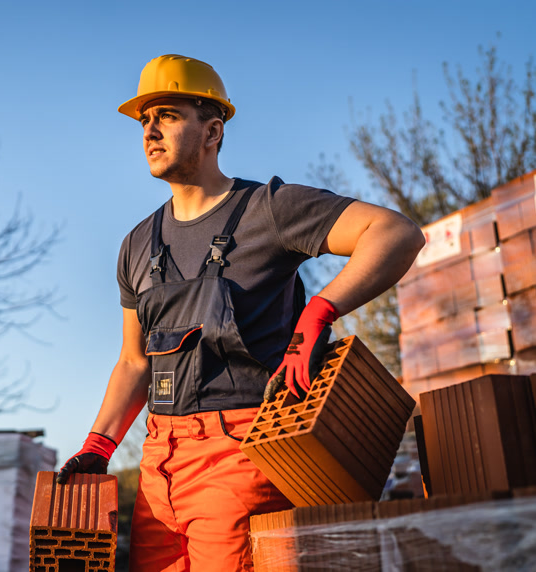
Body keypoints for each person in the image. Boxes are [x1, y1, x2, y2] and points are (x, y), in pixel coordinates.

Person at [56, 54, 425, 571]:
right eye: (144, 120)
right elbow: (135, 363)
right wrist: (99, 444)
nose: (149, 131)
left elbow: (396, 233)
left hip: (242, 453)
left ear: (212, 130)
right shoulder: (136, 245)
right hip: (159, 467)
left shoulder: (268, 209)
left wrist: (317, 314)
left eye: (167, 115)